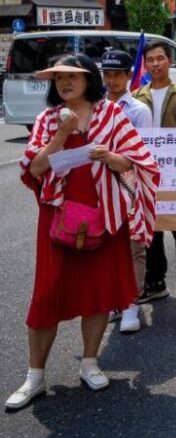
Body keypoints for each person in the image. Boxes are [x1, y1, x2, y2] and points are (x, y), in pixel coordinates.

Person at [7, 55, 160, 411]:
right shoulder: (47, 119)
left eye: (72, 76)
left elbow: (137, 163)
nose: (64, 82)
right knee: (46, 295)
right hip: (57, 217)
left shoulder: (112, 115)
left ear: (88, 79)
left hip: (104, 216)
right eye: (58, 77)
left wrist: (108, 157)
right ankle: (35, 375)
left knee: (98, 293)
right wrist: (62, 134)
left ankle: (90, 362)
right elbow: (34, 168)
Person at [134, 39, 176, 307]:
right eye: (150, 60)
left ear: (168, 61)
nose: (155, 63)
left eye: (160, 58)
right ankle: (156, 281)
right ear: (145, 64)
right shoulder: (138, 96)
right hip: (147, 172)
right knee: (152, 230)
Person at [101, 49, 152, 335]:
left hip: (130, 184)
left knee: (133, 246)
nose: (111, 80)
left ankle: (131, 303)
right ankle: (112, 301)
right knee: (105, 245)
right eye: (107, 75)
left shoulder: (138, 111)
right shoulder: (95, 108)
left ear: (128, 75)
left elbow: (145, 152)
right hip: (100, 185)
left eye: (117, 74)